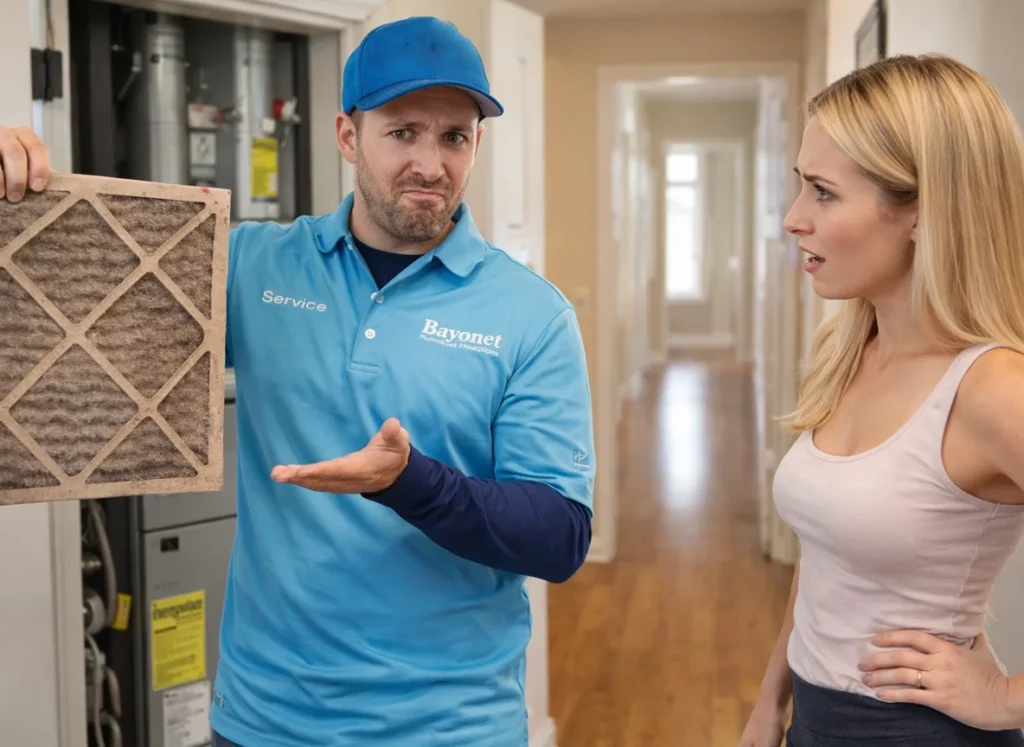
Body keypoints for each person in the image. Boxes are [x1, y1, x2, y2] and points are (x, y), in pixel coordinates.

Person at [0, 15, 596, 747]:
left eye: (454, 137)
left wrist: (410, 481)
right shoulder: (253, 263)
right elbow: (52, 308)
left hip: (449, 727)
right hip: (261, 721)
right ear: (348, 135)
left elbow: (560, 537)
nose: (431, 164)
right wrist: (12, 191)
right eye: (404, 131)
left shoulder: (532, 314)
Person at [735, 54, 1024, 747]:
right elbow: (825, 551)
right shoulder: (849, 349)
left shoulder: (992, 390)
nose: (793, 218)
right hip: (815, 717)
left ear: (922, 212)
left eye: (824, 193)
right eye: (799, 186)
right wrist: (769, 702)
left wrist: (1006, 697)